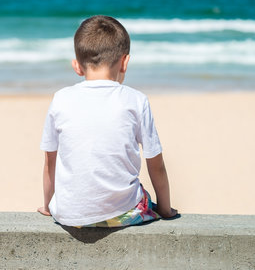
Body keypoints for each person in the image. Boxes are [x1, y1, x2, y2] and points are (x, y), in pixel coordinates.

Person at [37, 15, 177, 228]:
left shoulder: (60, 98)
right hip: (123, 214)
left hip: (69, 216)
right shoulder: (136, 100)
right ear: (124, 62)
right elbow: (155, 164)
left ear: (77, 66)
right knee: (142, 195)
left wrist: (48, 206)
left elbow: (50, 162)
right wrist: (165, 210)